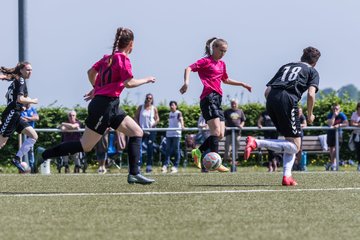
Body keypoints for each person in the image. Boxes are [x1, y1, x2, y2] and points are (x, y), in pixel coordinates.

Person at [37, 27, 155, 184]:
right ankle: (44, 154)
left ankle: (134, 173)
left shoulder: (108, 58)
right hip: (104, 106)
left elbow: (90, 72)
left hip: (111, 105)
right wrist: (147, 79)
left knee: (136, 132)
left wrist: (97, 88)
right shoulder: (123, 59)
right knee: (86, 146)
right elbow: (129, 83)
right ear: (131, 44)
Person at [244, 47, 321, 186]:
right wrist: (310, 115)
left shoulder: (286, 66)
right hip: (288, 99)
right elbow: (311, 94)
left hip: (271, 99)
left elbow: (267, 90)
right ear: (315, 62)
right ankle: (256, 143)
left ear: (302, 57)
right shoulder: (312, 71)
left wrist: (275, 104)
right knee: (295, 147)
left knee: (289, 142)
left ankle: (287, 177)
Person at [179, 37, 252, 172]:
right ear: (214, 48)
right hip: (208, 98)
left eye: (225, 51)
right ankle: (216, 162)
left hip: (218, 99)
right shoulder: (206, 61)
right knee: (216, 132)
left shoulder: (222, 64)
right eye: (222, 50)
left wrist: (242, 84)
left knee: (220, 134)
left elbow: (225, 79)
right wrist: (186, 83)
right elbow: (188, 68)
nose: (223, 53)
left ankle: (198, 152)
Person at [0, 62, 39, 173]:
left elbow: (13, 97)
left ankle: (16, 159)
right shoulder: (20, 80)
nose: (30, 72)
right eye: (27, 70)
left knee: (33, 136)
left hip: (16, 115)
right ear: (21, 70)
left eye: (31, 70)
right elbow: (20, 99)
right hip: (12, 114)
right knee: (1, 143)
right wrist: (33, 101)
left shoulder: (16, 80)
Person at [134, 93, 160, 173]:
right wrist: (138, 126)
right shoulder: (140, 107)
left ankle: (149, 165)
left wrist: (153, 124)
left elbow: (157, 119)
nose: (149, 99)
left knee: (150, 148)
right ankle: (138, 165)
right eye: (147, 98)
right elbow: (135, 117)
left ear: (152, 99)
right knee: (139, 148)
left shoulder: (154, 108)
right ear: (145, 98)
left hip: (151, 131)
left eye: (150, 98)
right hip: (141, 130)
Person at [161, 101, 185, 173]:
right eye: (170, 105)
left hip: (176, 134)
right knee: (167, 149)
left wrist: (182, 125)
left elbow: (181, 119)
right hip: (169, 134)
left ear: (176, 106)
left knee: (176, 149)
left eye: (173, 105)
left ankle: (175, 166)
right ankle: (166, 165)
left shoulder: (178, 113)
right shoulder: (170, 113)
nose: (171, 106)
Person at [325, 103, 348, 171]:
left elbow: (346, 123)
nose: (335, 110)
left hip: (339, 133)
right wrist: (334, 116)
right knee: (331, 148)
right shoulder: (330, 115)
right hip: (331, 133)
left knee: (337, 148)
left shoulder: (342, 115)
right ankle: (333, 164)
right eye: (334, 109)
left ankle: (332, 163)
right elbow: (330, 124)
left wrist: (339, 125)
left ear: (339, 109)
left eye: (337, 109)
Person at [223, 99, 245, 166]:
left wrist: (241, 125)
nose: (233, 105)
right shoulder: (227, 111)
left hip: (237, 132)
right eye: (232, 103)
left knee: (236, 146)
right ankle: (227, 160)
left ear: (237, 104)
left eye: (235, 103)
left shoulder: (240, 111)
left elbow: (243, 120)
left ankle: (235, 160)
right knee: (227, 147)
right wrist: (224, 126)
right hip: (228, 132)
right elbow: (222, 120)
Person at [21, 103, 39, 173]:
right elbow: (21, 119)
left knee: (30, 150)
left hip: (31, 133)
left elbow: (37, 118)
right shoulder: (22, 109)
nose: (27, 104)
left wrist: (28, 118)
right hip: (23, 132)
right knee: (22, 149)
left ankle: (32, 168)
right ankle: (22, 167)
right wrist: (31, 118)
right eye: (26, 102)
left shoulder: (33, 109)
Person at [350, 102, 360, 171]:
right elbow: (352, 123)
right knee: (358, 150)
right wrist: (358, 125)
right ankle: (359, 165)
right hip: (356, 135)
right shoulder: (354, 114)